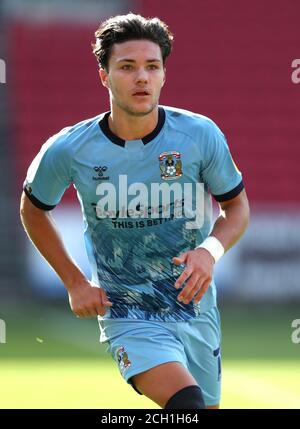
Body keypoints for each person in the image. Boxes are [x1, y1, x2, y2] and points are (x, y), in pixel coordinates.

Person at [20, 13, 250, 409]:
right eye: (127, 67)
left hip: (195, 307)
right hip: (127, 310)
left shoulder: (200, 136)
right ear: (104, 76)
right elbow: (33, 209)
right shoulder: (69, 148)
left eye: (152, 66)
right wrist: (75, 282)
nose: (141, 77)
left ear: (163, 75)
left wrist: (208, 252)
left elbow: (236, 207)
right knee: (186, 405)